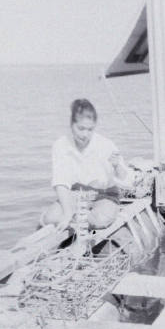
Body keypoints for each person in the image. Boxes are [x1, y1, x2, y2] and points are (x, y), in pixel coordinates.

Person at [41, 98, 135, 231]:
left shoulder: (106, 144)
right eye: (81, 128)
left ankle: (87, 218)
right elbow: (60, 181)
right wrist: (67, 212)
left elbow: (127, 180)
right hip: (76, 194)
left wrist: (117, 166)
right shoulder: (60, 145)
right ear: (71, 125)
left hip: (104, 195)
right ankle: (76, 218)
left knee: (99, 221)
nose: (85, 134)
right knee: (49, 219)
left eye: (90, 129)